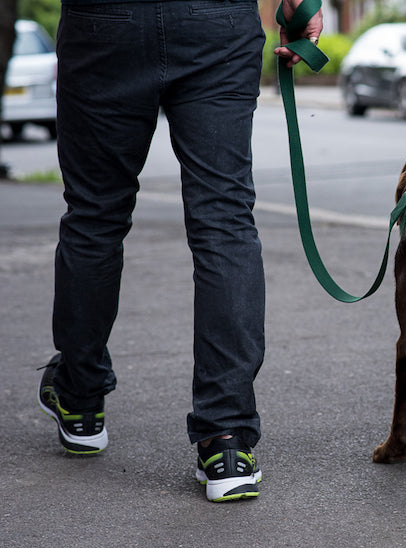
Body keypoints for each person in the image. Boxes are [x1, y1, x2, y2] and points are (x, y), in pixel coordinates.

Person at [38, 0, 322, 501]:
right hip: (215, 22)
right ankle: (226, 440)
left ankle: (80, 401)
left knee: (95, 214)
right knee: (224, 219)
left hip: (103, 22)